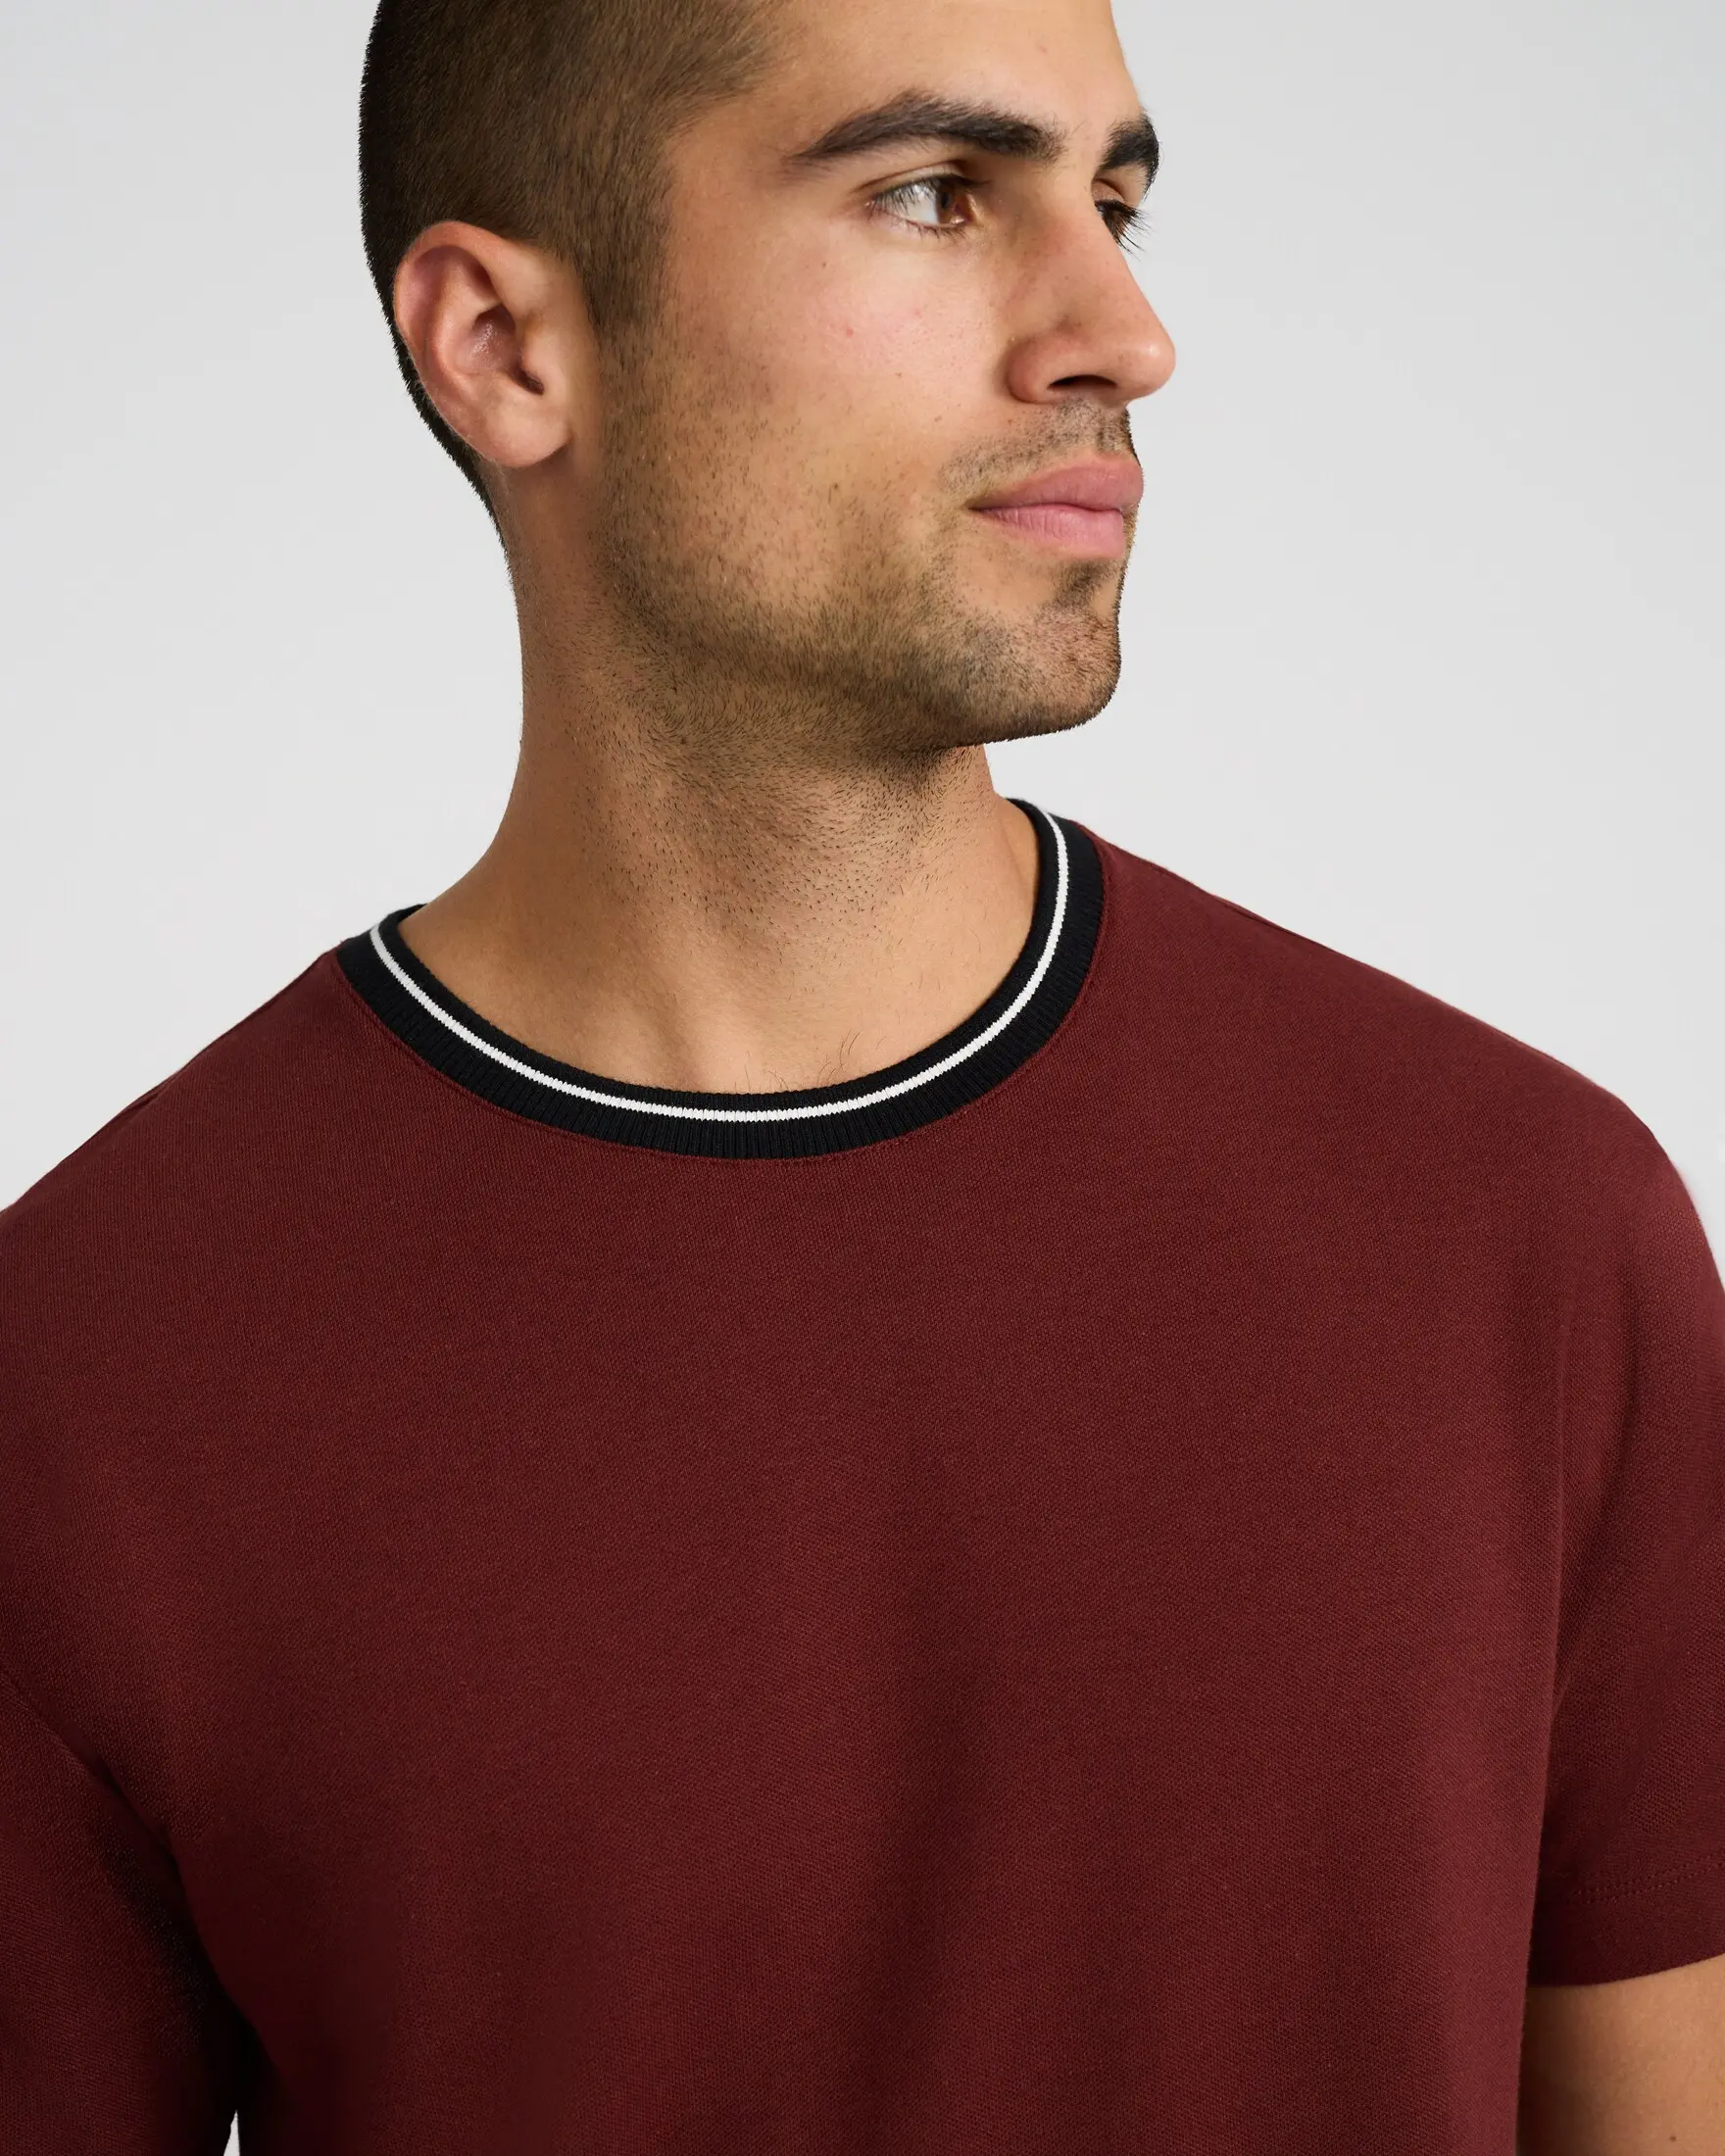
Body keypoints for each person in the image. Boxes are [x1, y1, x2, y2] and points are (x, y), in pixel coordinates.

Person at [2, 0, 1721, 2147]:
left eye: (1113, 203)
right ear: (502, 347)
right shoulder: (84, 1385)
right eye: (932, 194)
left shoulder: (1524, 1239)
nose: (1125, 334)